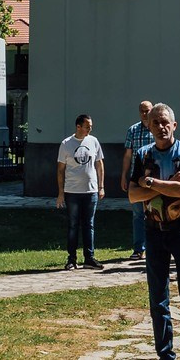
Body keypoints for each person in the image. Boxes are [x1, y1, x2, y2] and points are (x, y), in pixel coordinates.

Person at [128, 103, 180, 360]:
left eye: (165, 122)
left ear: (174, 125)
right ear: (149, 126)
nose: (161, 127)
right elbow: (132, 195)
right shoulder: (143, 155)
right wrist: (164, 186)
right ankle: (165, 354)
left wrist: (149, 182)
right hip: (154, 231)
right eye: (155, 123)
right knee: (158, 298)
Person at [56, 113, 104, 269]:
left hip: (91, 191)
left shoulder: (94, 141)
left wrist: (101, 187)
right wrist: (61, 193)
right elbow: (60, 170)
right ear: (78, 126)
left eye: (91, 126)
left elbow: (99, 164)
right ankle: (71, 259)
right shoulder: (66, 144)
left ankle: (89, 258)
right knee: (73, 224)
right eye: (87, 126)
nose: (90, 128)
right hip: (72, 191)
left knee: (89, 225)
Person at [122, 99, 155, 262]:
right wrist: (124, 176)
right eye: (142, 110)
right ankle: (138, 248)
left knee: (155, 212)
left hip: (154, 179)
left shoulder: (157, 128)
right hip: (136, 177)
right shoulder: (133, 130)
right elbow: (128, 155)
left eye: (147, 110)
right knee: (137, 214)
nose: (145, 113)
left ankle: (155, 246)